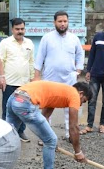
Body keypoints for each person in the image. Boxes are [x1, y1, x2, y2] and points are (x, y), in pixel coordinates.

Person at [5, 80, 92, 169]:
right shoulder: (74, 94)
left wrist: (46, 138)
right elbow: (73, 127)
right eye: (83, 101)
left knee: (7, 138)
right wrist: (78, 152)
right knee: (51, 140)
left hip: (14, 98)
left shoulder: (60, 93)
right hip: (25, 103)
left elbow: (44, 117)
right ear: (80, 93)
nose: (80, 105)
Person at [33, 11, 85, 140]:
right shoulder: (47, 38)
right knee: (47, 108)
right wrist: (37, 76)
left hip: (69, 79)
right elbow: (40, 57)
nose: (63, 24)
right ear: (54, 22)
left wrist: (78, 71)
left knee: (70, 107)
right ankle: (46, 136)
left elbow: (80, 55)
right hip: (51, 79)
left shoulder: (74, 38)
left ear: (68, 22)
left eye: (65, 21)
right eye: (60, 21)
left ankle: (70, 135)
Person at [0, 18, 34, 142]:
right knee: (8, 109)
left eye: (22, 29)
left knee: (23, 109)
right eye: (17, 29)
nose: (20, 31)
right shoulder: (5, 43)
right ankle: (6, 134)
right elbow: (0, 61)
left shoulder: (29, 43)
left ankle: (20, 132)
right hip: (9, 82)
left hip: (24, 84)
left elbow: (31, 62)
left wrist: (32, 79)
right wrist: (0, 77)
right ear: (12, 29)